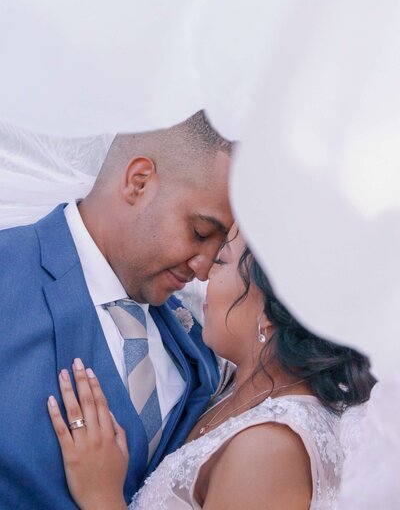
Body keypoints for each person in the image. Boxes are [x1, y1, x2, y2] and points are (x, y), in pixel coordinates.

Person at [0, 111, 234, 509]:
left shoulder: (196, 347)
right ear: (138, 181)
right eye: (199, 232)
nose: (204, 268)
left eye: (220, 246)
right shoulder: (9, 271)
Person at [48, 228, 376, 510]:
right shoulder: (242, 389)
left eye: (221, 260)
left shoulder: (269, 450)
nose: (205, 273)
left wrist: (102, 496)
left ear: (271, 309)